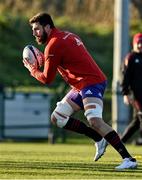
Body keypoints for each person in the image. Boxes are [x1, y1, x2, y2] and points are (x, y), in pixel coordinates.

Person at [23, 12, 137, 170]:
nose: (34, 33)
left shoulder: (53, 45)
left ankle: (129, 159)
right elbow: (71, 59)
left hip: (91, 83)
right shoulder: (67, 35)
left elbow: (46, 79)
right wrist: (48, 59)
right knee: (57, 117)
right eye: (33, 30)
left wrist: (32, 69)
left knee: (95, 120)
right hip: (80, 85)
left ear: (47, 27)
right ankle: (97, 137)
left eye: (37, 29)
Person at [121, 33, 142, 144]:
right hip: (135, 94)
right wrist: (126, 93)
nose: (140, 45)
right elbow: (125, 77)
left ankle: (120, 142)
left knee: (136, 122)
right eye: (138, 43)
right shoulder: (131, 58)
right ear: (134, 44)